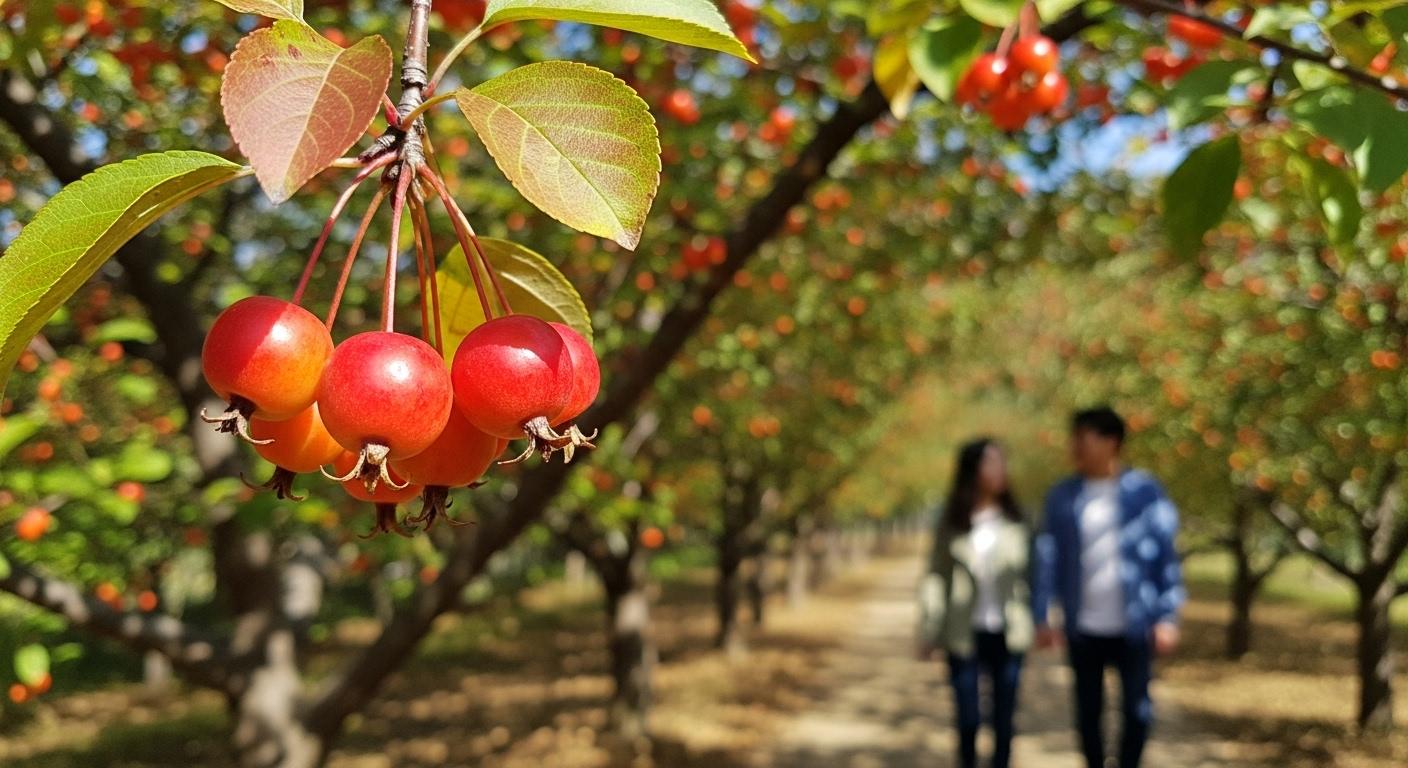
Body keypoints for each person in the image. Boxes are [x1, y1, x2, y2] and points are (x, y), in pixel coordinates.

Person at [1032, 406, 1184, 768]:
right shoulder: (1063, 495)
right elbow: (1047, 557)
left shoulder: (1144, 492)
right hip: (1084, 627)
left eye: (1082, 438)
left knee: (1138, 711)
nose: (1075, 447)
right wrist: (1042, 613)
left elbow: (1165, 556)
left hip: (1135, 623)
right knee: (1088, 713)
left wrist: (1167, 616)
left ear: (1110, 441)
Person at [918, 438, 1033, 768]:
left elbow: (1035, 574)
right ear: (972, 470)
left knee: (1004, 719)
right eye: (991, 462)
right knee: (967, 718)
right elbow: (935, 575)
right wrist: (929, 627)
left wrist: (1042, 619)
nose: (1000, 469)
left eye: (1002, 461)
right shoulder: (952, 521)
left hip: (1008, 631)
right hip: (963, 630)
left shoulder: (1019, 519)